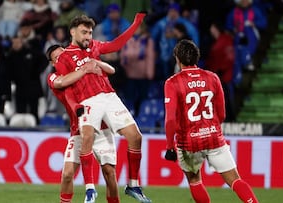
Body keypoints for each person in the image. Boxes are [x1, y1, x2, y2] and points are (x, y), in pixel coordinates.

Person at [54, 13, 152, 203]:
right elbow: (64, 86)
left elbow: (116, 44)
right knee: (87, 139)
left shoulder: (95, 47)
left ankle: (133, 185)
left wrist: (135, 24)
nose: (88, 37)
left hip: (109, 96)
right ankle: (90, 189)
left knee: (135, 136)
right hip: (88, 100)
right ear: (72, 32)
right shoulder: (64, 57)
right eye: (84, 32)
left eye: (90, 33)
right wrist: (83, 72)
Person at [164, 39, 259, 203]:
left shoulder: (172, 83)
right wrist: (210, 127)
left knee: (195, 181)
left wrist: (170, 146)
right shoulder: (212, 77)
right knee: (235, 180)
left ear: (178, 59)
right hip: (214, 137)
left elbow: (170, 119)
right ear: (197, 58)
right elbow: (221, 113)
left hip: (189, 142)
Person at [46, 44, 120, 203]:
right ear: (53, 64)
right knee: (67, 175)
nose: (61, 59)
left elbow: (110, 70)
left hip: (101, 127)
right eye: (57, 58)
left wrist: (93, 65)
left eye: (63, 54)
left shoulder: (84, 66)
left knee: (110, 174)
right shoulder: (54, 76)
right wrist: (84, 70)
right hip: (78, 129)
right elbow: (62, 82)